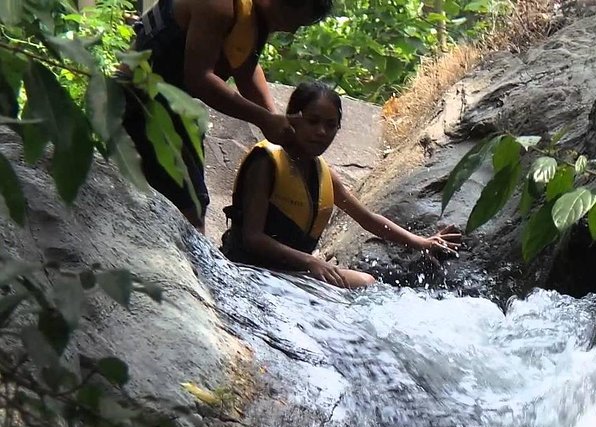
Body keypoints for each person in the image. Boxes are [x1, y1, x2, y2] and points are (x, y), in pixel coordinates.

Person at [220, 82, 462, 288]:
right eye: (313, 121)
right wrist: (310, 261)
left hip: (291, 272)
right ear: (293, 119)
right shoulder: (266, 163)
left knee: (366, 283)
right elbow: (252, 238)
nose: (321, 132)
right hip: (247, 267)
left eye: (330, 125)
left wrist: (421, 242)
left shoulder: (322, 173)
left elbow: (367, 219)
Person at [120, 0, 333, 233]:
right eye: (294, 22)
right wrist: (262, 118)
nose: (292, 31)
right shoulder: (218, 5)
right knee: (189, 211)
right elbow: (199, 79)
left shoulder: (256, 17)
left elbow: (245, 67)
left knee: (194, 206)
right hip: (137, 102)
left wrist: (276, 120)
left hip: (174, 106)